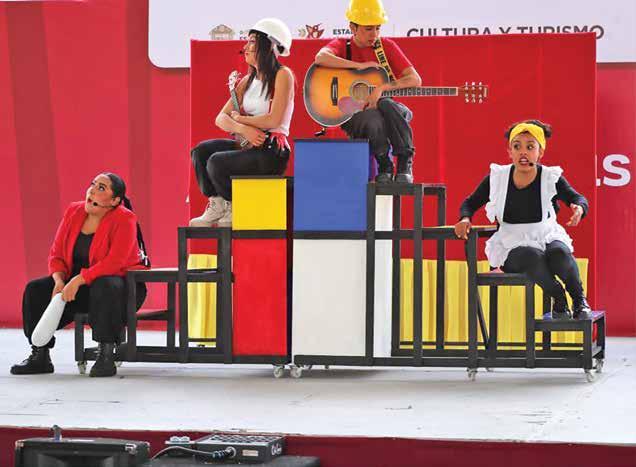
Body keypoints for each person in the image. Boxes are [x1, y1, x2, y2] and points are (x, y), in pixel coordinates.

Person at [10, 173, 150, 377]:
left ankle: (105, 354)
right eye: (93, 184)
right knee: (36, 289)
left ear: (114, 201)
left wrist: (78, 280)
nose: (92, 190)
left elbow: (115, 262)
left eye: (101, 188)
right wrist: (59, 280)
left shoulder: (125, 218)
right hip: (80, 287)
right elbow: (56, 254)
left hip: (121, 288)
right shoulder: (74, 211)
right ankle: (40, 354)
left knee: (105, 285)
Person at [454, 120, 593, 320]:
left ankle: (579, 301)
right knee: (531, 255)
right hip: (511, 244)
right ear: (510, 152)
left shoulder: (549, 177)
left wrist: (579, 208)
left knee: (559, 252)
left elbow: (578, 198)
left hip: (545, 235)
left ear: (540, 152)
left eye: (530, 147)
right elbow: (470, 202)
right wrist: (465, 218)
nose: (523, 153)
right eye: (517, 147)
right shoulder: (498, 177)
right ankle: (559, 298)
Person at [189, 17, 294, 227]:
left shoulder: (283, 75)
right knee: (200, 152)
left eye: (252, 42)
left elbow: (274, 119)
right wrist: (242, 128)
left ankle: (235, 206)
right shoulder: (247, 81)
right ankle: (219, 205)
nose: (245, 47)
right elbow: (221, 118)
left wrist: (240, 119)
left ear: (269, 45)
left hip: (271, 149)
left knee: (217, 162)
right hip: (249, 143)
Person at [314, 0, 421, 183]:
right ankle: (385, 164)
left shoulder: (386, 46)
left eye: (378, 28)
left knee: (385, 103)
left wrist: (382, 88)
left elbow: (415, 80)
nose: (375, 34)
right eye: (368, 29)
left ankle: (405, 162)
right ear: (353, 28)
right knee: (374, 117)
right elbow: (321, 58)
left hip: (388, 110)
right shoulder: (342, 45)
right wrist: (359, 66)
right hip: (353, 114)